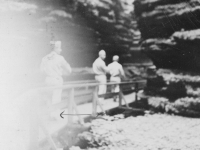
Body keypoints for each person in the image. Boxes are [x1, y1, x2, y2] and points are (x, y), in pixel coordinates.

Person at [40, 41, 71, 118]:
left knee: (49, 97)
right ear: (56, 48)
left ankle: (50, 114)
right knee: (56, 98)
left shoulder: (44, 58)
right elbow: (69, 70)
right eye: (60, 48)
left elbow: (41, 71)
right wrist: (62, 72)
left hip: (48, 79)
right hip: (56, 79)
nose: (61, 50)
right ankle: (55, 115)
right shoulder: (60, 58)